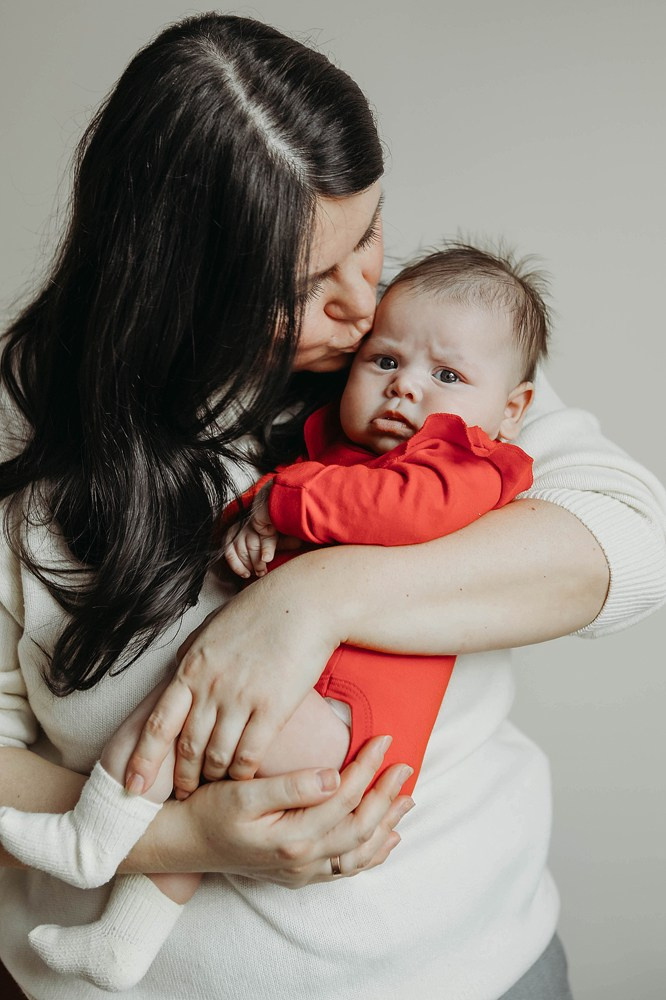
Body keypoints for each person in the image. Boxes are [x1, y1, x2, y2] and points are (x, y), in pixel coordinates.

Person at [0, 12, 664, 1000]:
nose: (365, 303)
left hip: (480, 970)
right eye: (310, 285)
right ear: (181, 289)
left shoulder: (430, 363)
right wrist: (183, 839)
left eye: (372, 233)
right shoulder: (32, 467)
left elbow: (632, 545)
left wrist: (312, 601)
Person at [0, 243, 540, 991]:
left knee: (182, 717)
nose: (405, 390)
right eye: (384, 362)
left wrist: (276, 503)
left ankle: (93, 838)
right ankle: (120, 942)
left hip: (351, 723)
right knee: (200, 771)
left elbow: (405, 512)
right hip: (321, 710)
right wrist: (248, 517)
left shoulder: (469, 460)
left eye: (445, 377)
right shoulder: (347, 446)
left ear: (512, 409)